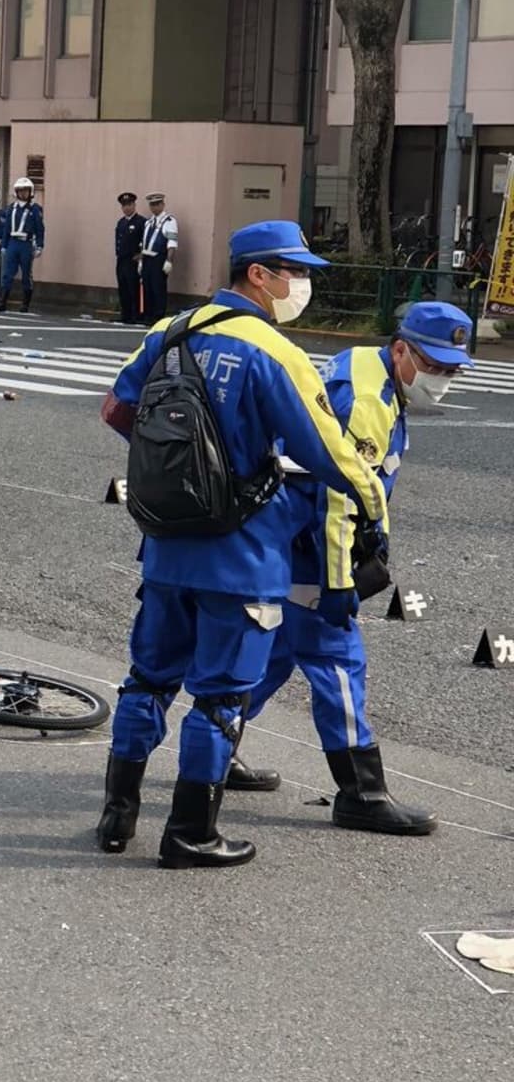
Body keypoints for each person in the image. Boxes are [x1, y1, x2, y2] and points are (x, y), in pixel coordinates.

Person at [95, 220, 386, 870]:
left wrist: (183, 477)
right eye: (295, 271)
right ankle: (191, 832)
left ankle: (118, 812)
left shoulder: (169, 331)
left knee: (147, 677)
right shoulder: (271, 351)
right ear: (259, 273)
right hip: (243, 554)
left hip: (166, 547)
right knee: (221, 694)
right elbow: (328, 451)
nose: (301, 284)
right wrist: (373, 500)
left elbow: (117, 410)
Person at [224, 300, 473, 833]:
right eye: (434, 367)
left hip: (284, 536)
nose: (442, 380)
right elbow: (337, 500)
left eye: (451, 371)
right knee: (339, 660)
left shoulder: (366, 365)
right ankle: (361, 792)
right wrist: (338, 582)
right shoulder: (367, 399)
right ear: (401, 349)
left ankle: (216, 746)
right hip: (311, 547)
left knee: (276, 655)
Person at [0, 176, 45, 313]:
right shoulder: (11, 208)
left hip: (26, 244)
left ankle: (25, 304)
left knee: (26, 274)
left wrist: (40, 245)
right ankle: (2, 302)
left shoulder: (35, 209)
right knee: (7, 273)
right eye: (20, 191)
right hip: (13, 242)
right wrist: (4, 246)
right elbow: (6, 229)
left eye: (26, 191)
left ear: (31, 192)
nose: (23, 194)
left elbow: (40, 228)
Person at [140, 192, 178, 325]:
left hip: (159, 259)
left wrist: (169, 261)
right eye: (152, 205)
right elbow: (143, 243)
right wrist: (140, 261)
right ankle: (148, 315)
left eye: (157, 204)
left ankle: (158, 316)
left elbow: (172, 243)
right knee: (147, 287)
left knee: (158, 288)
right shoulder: (148, 222)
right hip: (147, 259)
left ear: (163, 204)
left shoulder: (170, 221)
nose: (154, 207)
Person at [114, 192, 145, 325]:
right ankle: (125, 314)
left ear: (134, 205)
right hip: (121, 260)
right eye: (124, 205)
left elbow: (145, 240)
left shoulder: (141, 222)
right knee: (123, 287)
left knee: (133, 288)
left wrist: (141, 255)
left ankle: (135, 314)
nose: (126, 208)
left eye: (129, 205)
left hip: (133, 260)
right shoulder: (121, 222)